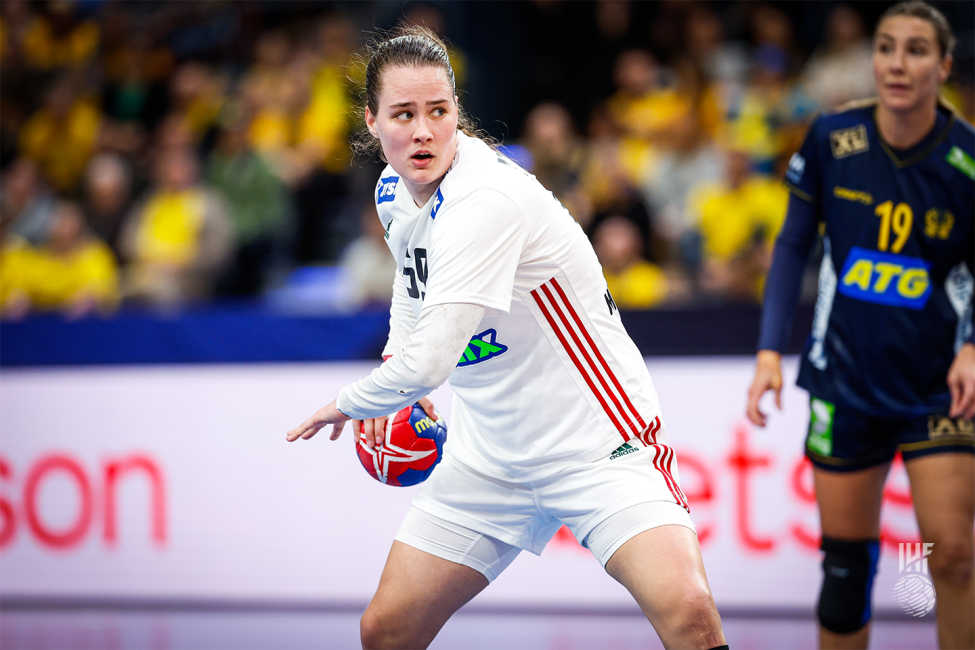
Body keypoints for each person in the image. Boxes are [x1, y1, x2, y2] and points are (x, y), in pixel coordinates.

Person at [287, 27, 728, 650]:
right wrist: (394, 357)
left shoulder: (485, 199)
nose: (422, 132)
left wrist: (356, 402)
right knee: (385, 630)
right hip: (487, 452)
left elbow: (433, 359)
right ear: (371, 120)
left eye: (438, 112)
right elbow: (411, 294)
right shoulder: (393, 193)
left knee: (689, 615)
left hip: (596, 443)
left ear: (456, 113)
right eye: (403, 114)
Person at [746, 3, 975, 650]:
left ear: (943, 65)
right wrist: (768, 351)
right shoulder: (830, 138)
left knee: (952, 556)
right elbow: (792, 247)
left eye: (915, 50)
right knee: (846, 570)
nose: (897, 63)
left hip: (937, 386)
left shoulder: (967, 161)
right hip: (844, 380)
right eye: (885, 47)